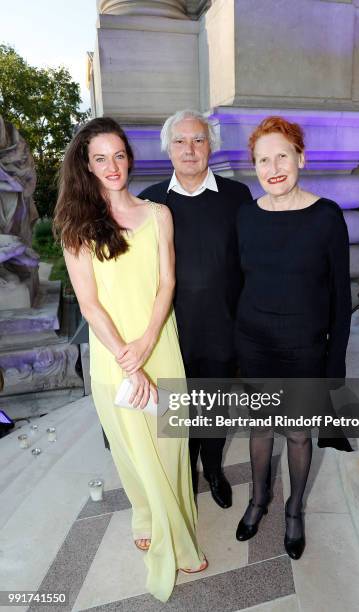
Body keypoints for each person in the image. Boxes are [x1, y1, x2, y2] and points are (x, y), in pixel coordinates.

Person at [53, 117, 206, 603]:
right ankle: (160, 529)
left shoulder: (159, 213)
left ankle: (169, 515)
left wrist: (147, 343)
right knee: (133, 449)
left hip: (160, 345)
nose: (112, 166)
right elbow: (90, 304)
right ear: (86, 165)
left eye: (119, 155)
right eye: (100, 158)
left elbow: (167, 284)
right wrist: (128, 359)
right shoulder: (76, 226)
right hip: (113, 354)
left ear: (129, 158)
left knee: (169, 443)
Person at [235, 116, 352, 559]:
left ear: (301, 157)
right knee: (261, 428)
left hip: (305, 348)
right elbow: (239, 284)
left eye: (282, 154)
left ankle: (294, 508)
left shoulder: (326, 216)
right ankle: (258, 498)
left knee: (299, 435)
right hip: (255, 344)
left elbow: (342, 297)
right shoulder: (246, 216)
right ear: (255, 168)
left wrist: (333, 366)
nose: (274, 166)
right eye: (263, 159)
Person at [139, 110, 252, 508]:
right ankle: (184, 476)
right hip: (172, 330)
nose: (190, 149)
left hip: (223, 325)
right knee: (178, 412)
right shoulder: (149, 201)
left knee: (215, 409)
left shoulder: (237, 197)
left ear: (211, 147)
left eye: (198, 140)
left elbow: (250, 262)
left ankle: (215, 470)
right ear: (168, 149)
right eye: (181, 141)